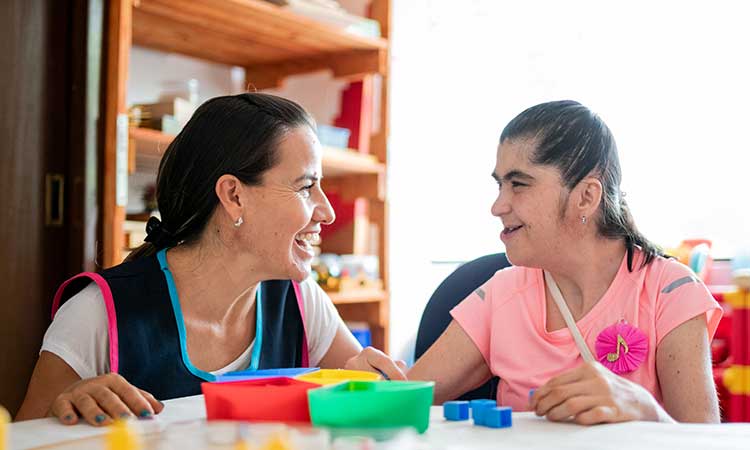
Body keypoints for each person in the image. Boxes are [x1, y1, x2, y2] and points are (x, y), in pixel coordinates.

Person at [16, 93, 406, 426]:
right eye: (306, 187)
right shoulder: (97, 314)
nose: (326, 212)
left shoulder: (302, 302)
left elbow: (364, 415)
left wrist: (367, 388)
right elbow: (23, 440)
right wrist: (64, 414)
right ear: (234, 195)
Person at [408, 100, 722, 424]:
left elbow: (704, 440)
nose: (498, 206)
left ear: (586, 196)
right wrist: (362, 374)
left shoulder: (670, 292)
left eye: (518, 184)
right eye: (499, 185)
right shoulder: (501, 294)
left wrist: (643, 409)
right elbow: (402, 398)